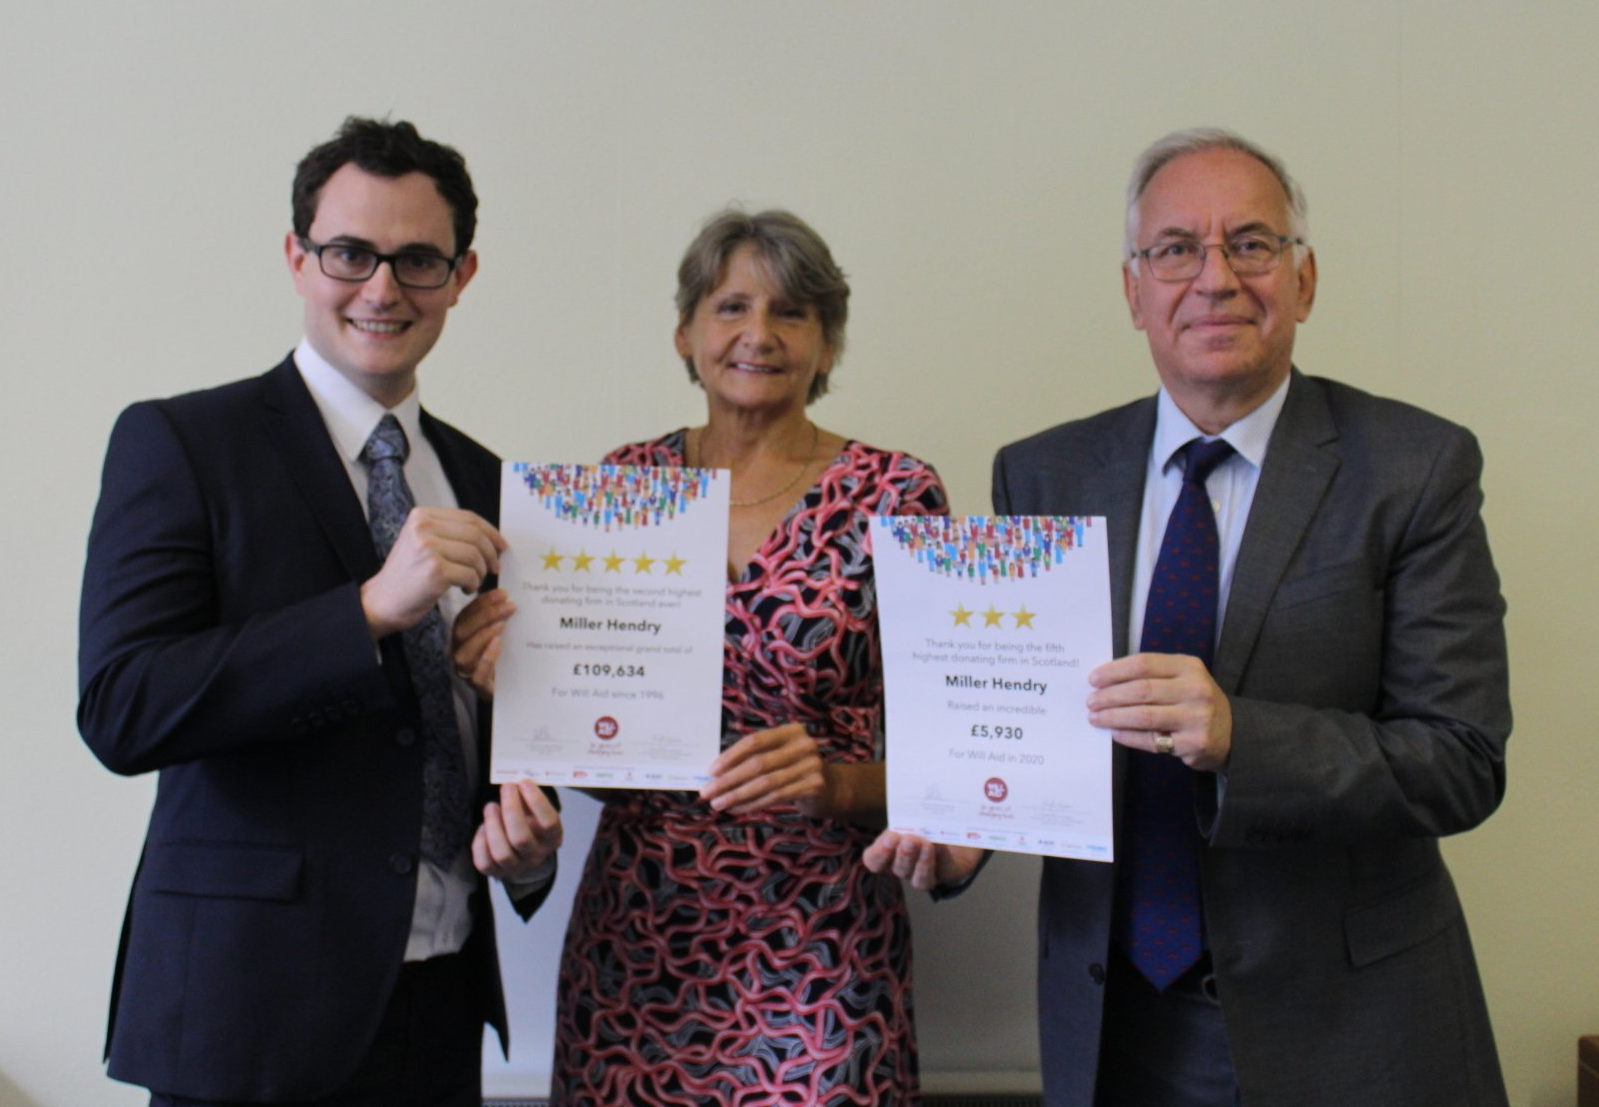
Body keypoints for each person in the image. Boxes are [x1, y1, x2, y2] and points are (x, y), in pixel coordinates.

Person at [866, 128, 1510, 1107]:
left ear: (1303, 280)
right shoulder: (1042, 475)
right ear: (1134, 291)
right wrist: (971, 831)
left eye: (1250, 243)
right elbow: (1029, 719)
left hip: (1346, 1033)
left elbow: (1461, 759)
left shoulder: (1414, 468)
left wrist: (1242, 735)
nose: (1215, 278)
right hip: (1112, 1029)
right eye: (1176, 249)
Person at [77, 117, 562, 1107]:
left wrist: (526, 852)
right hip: (250, 1011)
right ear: (298, 258)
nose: (382, 289)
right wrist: (370, 609)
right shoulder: (183, 443)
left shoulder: (489, 481)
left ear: (462, 276)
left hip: (442, 1004)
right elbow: (123, 707)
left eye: (418, 260)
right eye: (350, 253)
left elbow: (485, 728)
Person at [454, 209, 946, 1105]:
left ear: (828, 343)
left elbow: (958, 756)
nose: (759, 333)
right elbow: (602, 753)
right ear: (685, 332)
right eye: (730, 307)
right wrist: (524, 691)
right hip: (640, 941)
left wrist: (837, 784)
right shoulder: (621, 488)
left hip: (824, 945)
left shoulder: (896, 495)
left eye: (791, 312)